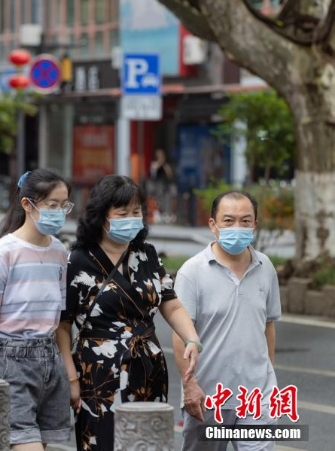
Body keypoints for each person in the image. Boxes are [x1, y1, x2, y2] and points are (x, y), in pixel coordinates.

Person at [59, 175, 202, 451]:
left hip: (148, 368)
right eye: (122, 213)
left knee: (148, 443)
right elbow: (62, 327)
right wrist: (71, 379)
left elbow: (170, 303)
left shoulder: (146, 254)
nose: (131, 219)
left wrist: (191, 338)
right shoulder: (77, 260)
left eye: (136, 212)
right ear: (102, 216)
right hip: (99, 374)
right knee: (103, 443)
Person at [0, 168, 74, 451]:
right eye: (52, 205)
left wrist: (68, 374)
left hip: (50, 361)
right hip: (11, 362)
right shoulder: (3, 253)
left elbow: (59, 320)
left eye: (64, 205)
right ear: (27, 205)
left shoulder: (59, 252)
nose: (60, 212)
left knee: (47, 443)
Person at [172, 191, 281, 451]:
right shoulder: (192, 271)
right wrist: (190, 386)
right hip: (207, 397)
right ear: (213, 225)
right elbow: (180, 335)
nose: (238, 227)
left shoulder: (265, 266)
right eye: (229, 220)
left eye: (245, 221)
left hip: (257, 396)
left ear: (255, 225)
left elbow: (268, 326)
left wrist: (267, 375)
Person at [149, 148, 175, 222]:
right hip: (158, 184)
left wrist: (164, 164)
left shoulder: (165, 164)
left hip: (165, 184)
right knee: (158, 199)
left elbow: (169, 174)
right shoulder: (154, 163)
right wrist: (160, 163)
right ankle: (158, 213)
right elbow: (153, 171)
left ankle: (166, 214)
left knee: (167, 199)